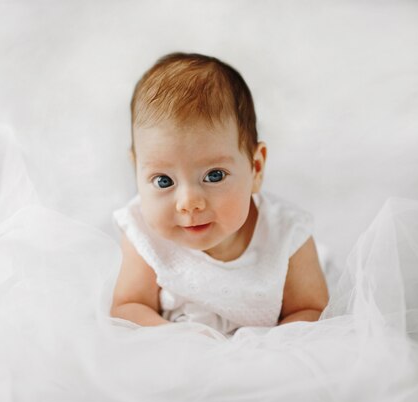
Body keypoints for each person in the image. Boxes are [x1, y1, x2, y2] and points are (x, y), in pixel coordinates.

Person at [109, 52, 329, 335]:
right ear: (137, 170)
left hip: (265, 356)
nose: (189, 203)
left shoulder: (287, 234)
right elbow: (128, 307)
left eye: (214, 175)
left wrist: (265, 353)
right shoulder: (143, 234)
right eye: (163, 181)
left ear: (255, 167)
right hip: (180, 357)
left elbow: (310, 310)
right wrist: (182, 339)